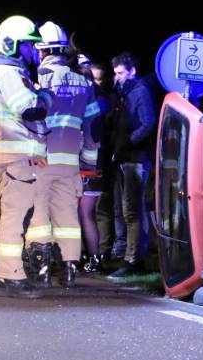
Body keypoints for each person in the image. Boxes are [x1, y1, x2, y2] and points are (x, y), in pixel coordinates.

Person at [0, 15, 50, 298]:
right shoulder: (8, 74)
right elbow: (30, 109)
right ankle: (11, 278)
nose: (32, 51)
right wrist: (45, 97)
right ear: (12, 45)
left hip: (0, 157)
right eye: (28, 45)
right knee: (13, 218)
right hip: (17, 159)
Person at [24, 22, 99, 288]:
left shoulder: (38, 79)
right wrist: (89, 163)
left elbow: (32, 119)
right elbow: (93, 127)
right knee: (68, 216)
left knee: (40, 214)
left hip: (42, 160)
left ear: (42, 52)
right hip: (71, 164)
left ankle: (42, 270)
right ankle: (69, 269)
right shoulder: (84, 82)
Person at [107, 52, 156, 280]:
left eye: (120, 73)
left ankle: (133, 259)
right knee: (123, 210)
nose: (116, 78)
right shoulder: (125, 92)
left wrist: (129, 141)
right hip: (124, 157)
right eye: (115, 73)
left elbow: (148, 123)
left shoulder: (140, 91)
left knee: (133, 211)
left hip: (136, 158)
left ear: (132, 71)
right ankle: (127, 255)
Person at [77, 56, 111, 274]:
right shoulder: (102, 100)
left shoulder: (90, 101)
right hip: (97, 164)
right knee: (85, 213)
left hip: (88, 165)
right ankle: (90, 258)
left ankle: (93, 259)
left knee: (84, 213)